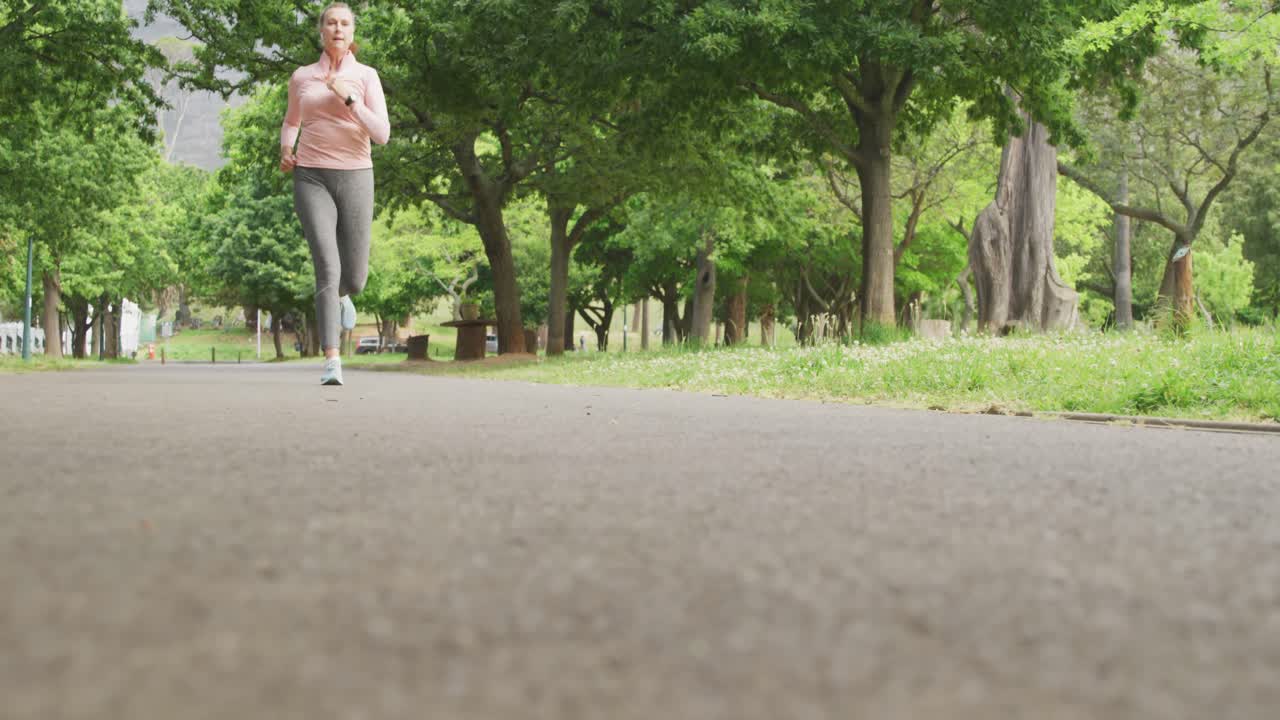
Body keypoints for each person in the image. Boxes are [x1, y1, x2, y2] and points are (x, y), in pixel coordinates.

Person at [280, 2, 390, 386]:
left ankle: (343, 295)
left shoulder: (366, 77)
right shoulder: (302, 77)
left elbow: (382, 134)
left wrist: (350, 100)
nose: (338, 28)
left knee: (354, 278)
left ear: (352, 32)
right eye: (331, 22)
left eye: (345, 23)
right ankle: (332, 361)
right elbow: (292, 120)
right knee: (327, 266)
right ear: (321, 32)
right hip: (312, 178)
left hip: (357, 176)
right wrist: (286, 149)